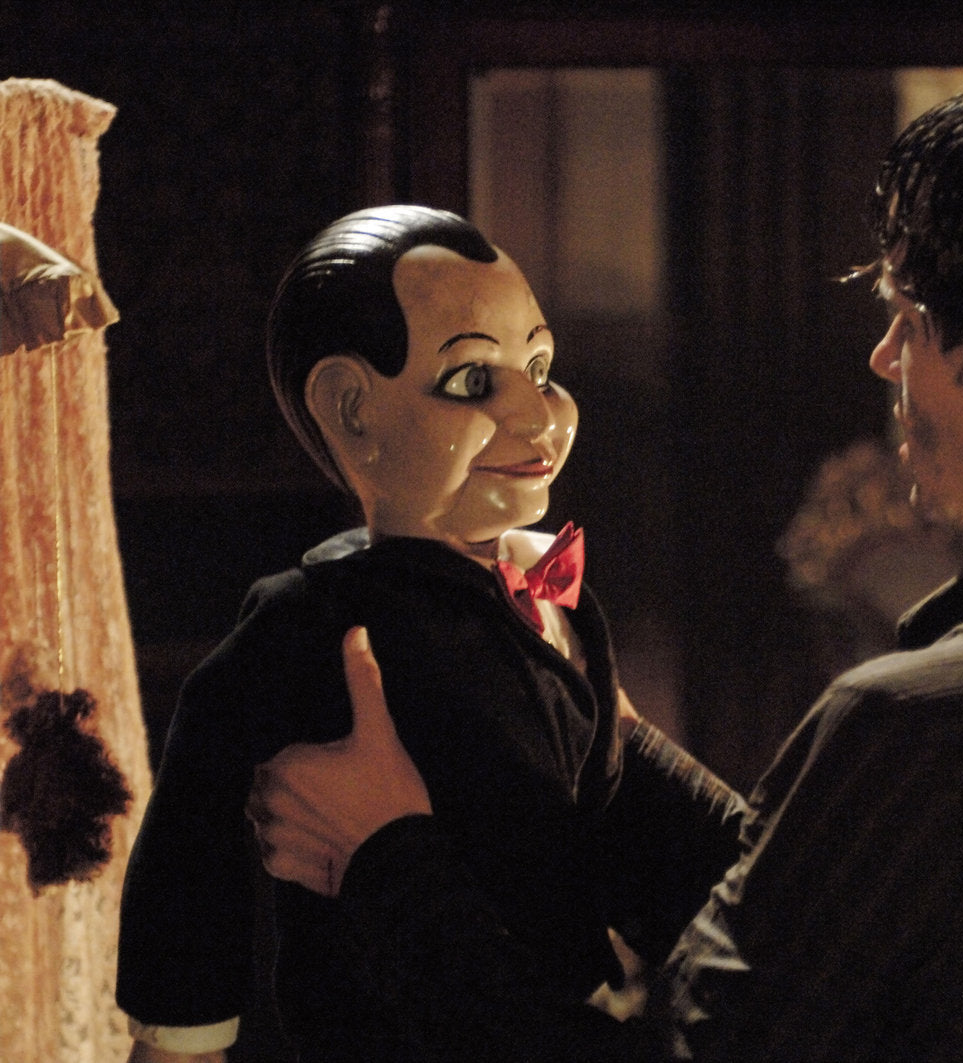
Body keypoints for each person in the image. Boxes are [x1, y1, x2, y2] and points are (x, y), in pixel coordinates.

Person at [250, 63, 963, 1061]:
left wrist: (385, 859)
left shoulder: (925, 730)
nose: (885, 357)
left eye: (909, 318)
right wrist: (608, 734)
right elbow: (832, 960)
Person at [116, 206, 745, 1062]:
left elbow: (621, 812)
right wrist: (181, 1035)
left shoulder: (553, 598)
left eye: (541, 367)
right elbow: (192, 833)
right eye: (472, 379)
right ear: (351, 409)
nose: (540, 416)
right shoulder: (311, 623)